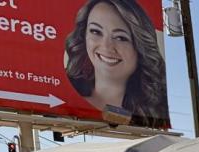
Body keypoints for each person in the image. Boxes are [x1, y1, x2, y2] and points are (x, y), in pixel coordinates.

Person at [63, 0, 169, 129]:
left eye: (120, 38)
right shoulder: (64, 95)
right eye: (96, 31)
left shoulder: (154, 111)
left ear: (141, 48)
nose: (107, 47)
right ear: (83, 36)